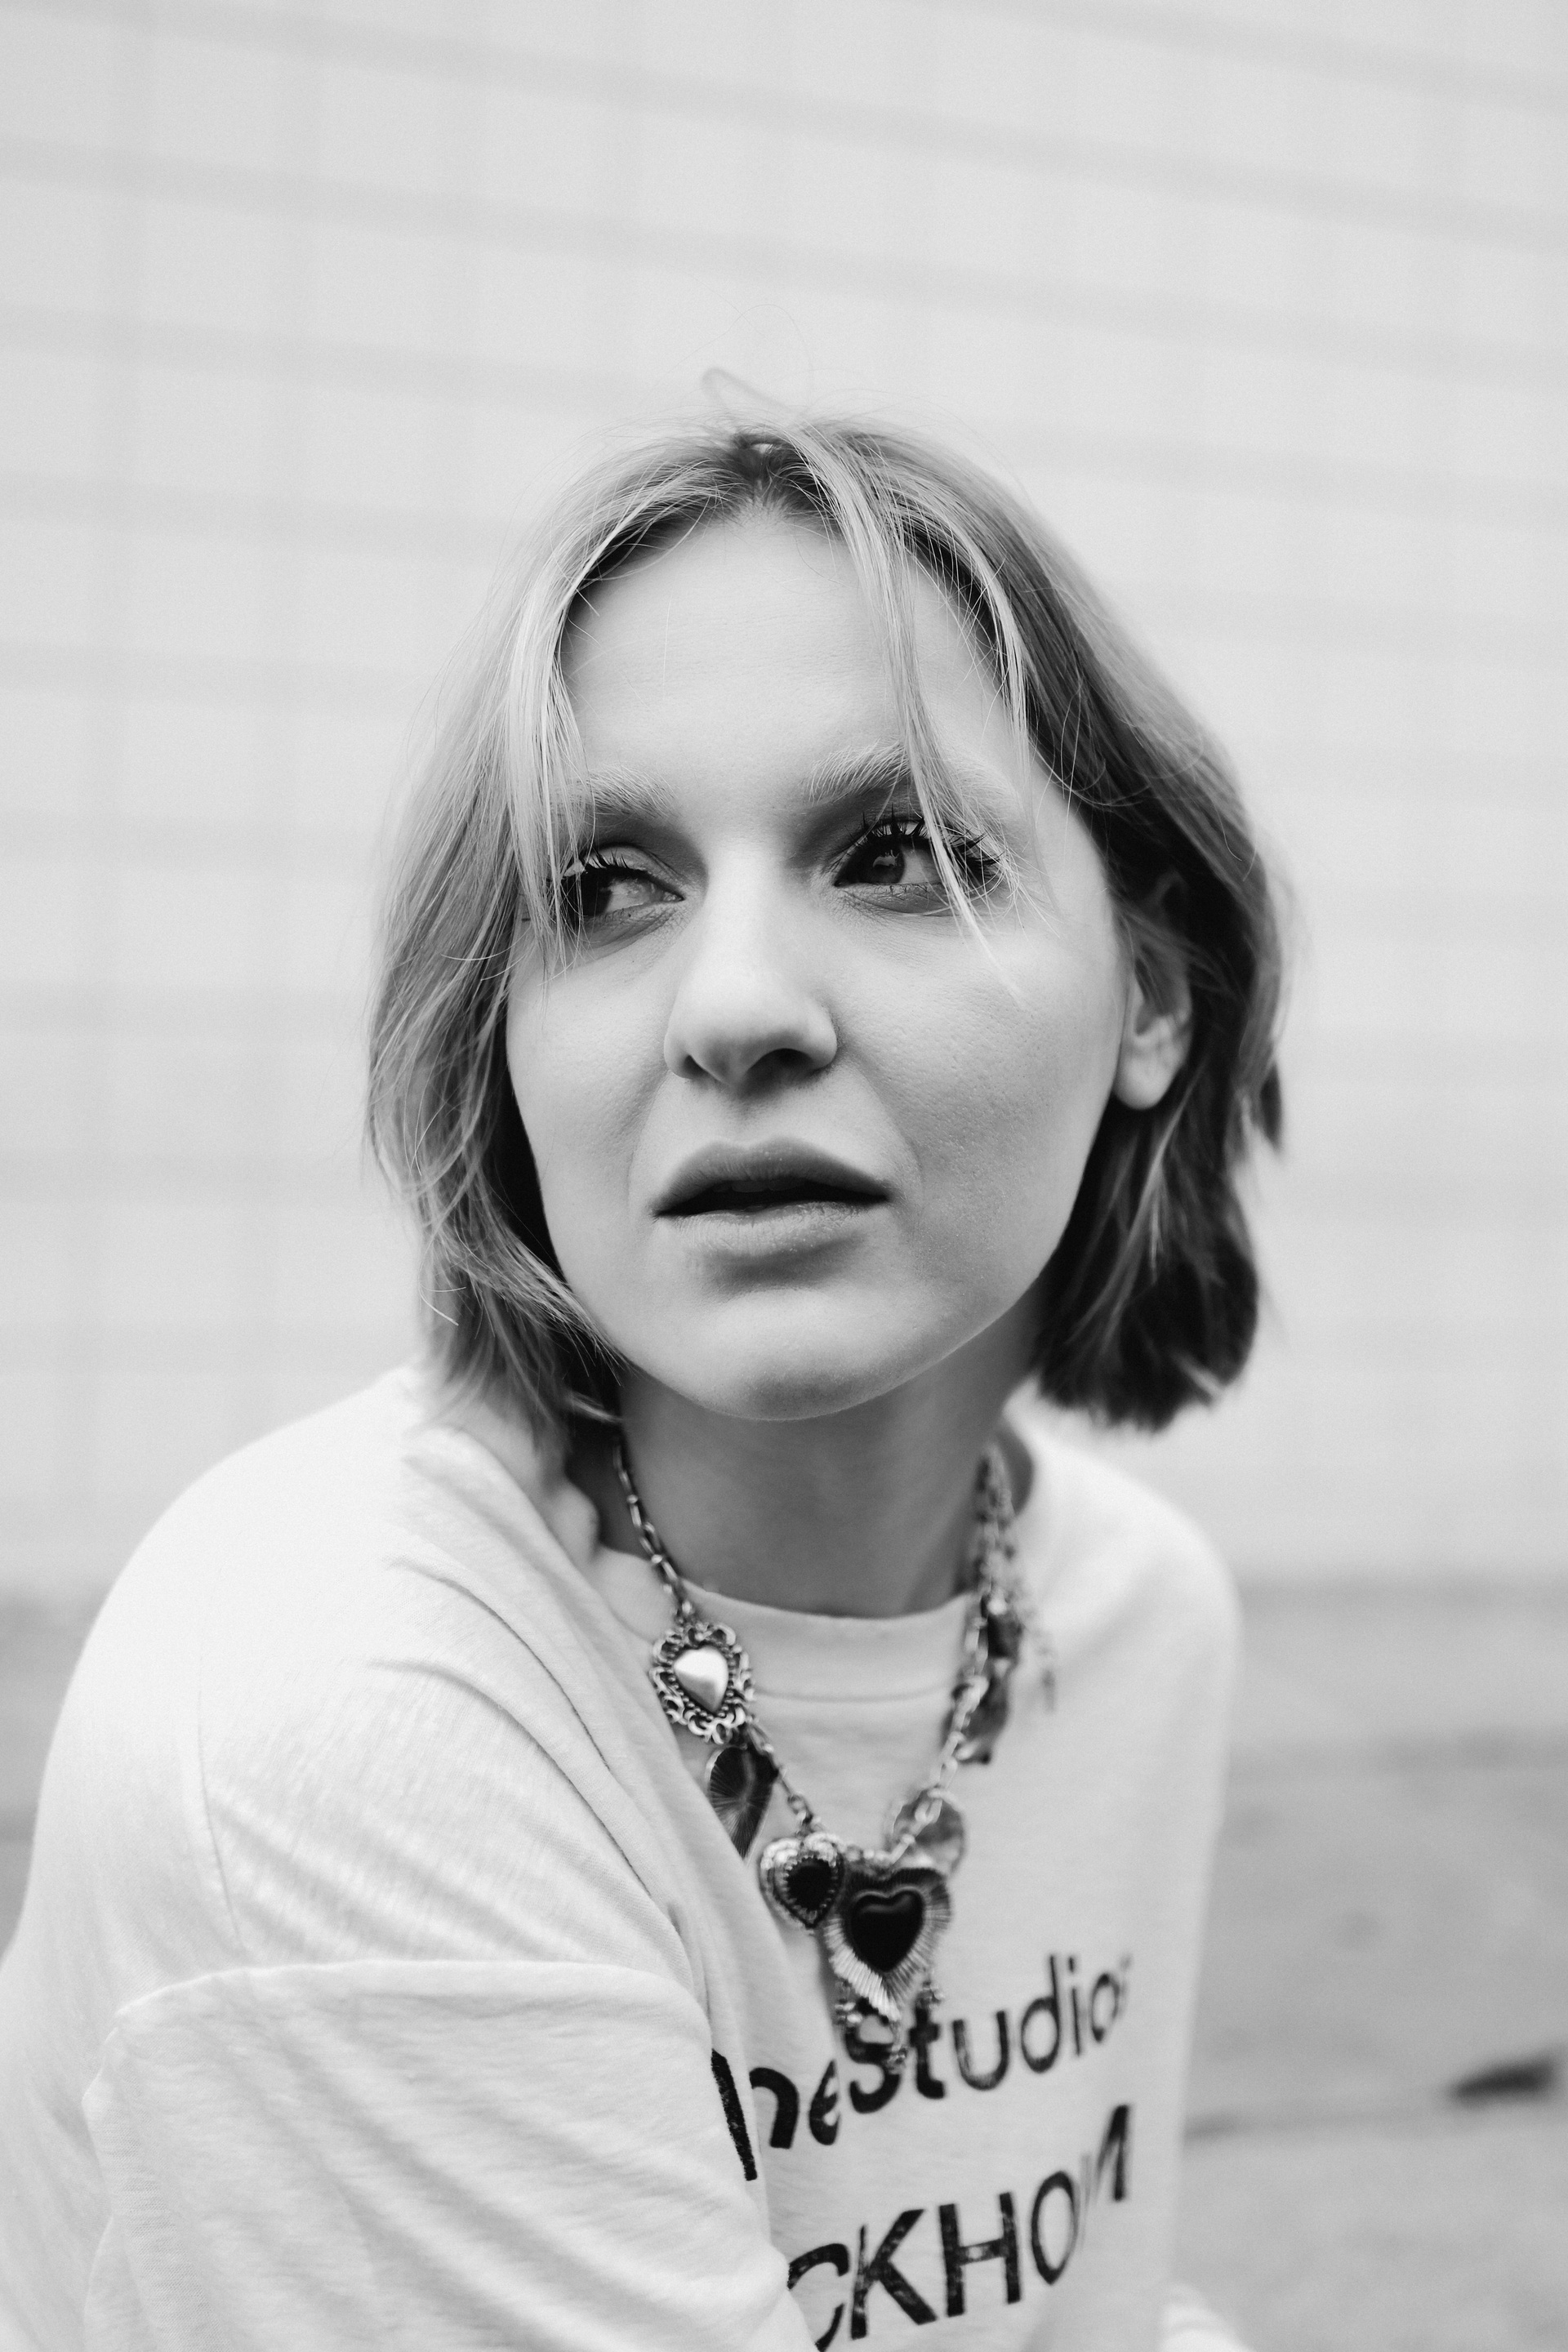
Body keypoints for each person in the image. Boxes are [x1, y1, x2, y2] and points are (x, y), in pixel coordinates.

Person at [0, 413, 1282, 2350]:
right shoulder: (342, 1715)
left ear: (1154, 996)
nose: (739, 1006)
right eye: (605, 887)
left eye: (897, 854)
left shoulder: (1133, 1617)